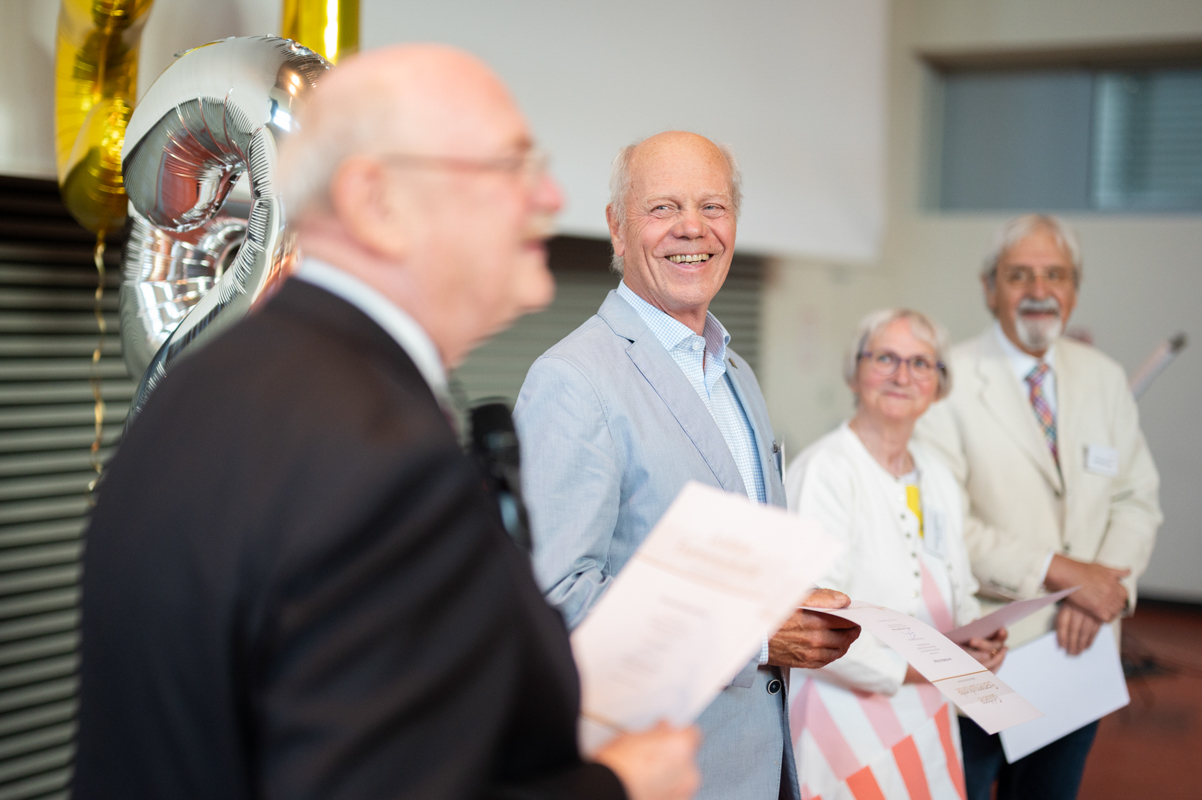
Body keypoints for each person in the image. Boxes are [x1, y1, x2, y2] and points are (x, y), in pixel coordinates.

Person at [73, 45, 702, 800]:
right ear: (376, 201)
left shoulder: (206, 390)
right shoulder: (381, 459)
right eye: (510, 168)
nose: (548, 197)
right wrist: (620, 787)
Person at [514, 130, 862, 800]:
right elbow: (555, 601)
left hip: (761, 762)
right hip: (654, 774)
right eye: (663, 209)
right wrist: (757, 636)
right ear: (617, 230)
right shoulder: (573, 379)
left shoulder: (737, 376)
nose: (692, 229)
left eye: (713, 207)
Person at [915, 214, 1162, 800]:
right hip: (987, 653)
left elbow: (1135, 499)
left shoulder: (1103, 378)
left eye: (1054, 274)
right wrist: (1066, 575)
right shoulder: (946, 376)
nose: (1038, 290)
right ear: (989, 287)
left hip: (1079, 655)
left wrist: (1102, 591)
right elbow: (943, 524)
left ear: (1073, 288)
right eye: (1019, 274)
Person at [785, 309, 1007, 800]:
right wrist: (932, 666)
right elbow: (813, 619)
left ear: (938, 384)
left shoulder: (937, 474)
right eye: (885, 357)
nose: (902, 376)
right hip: (842, 726)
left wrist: (978, 641)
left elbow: (959, 585)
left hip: (928, 713)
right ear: (854, 371)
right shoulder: (825, 471)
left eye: (920, 363)